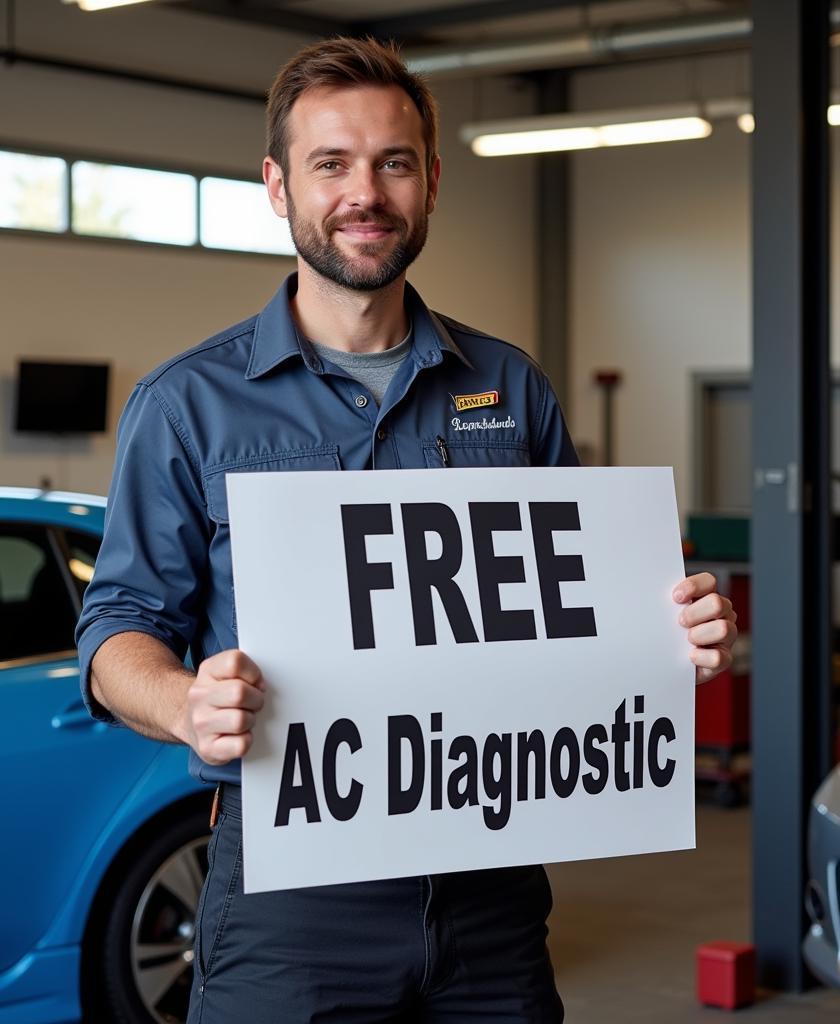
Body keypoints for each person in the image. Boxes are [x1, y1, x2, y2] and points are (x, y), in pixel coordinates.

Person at [77, 36, 737, 1024]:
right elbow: (116, 627)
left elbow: (581, 615)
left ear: (430, 180)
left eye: (392, 162)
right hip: (291, 903)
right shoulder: (188, 406)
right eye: (329, 163)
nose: (364, 193)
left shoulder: (509, 387)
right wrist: (180, 703)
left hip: (491, 888)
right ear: (276, 185)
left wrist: (668, 638)